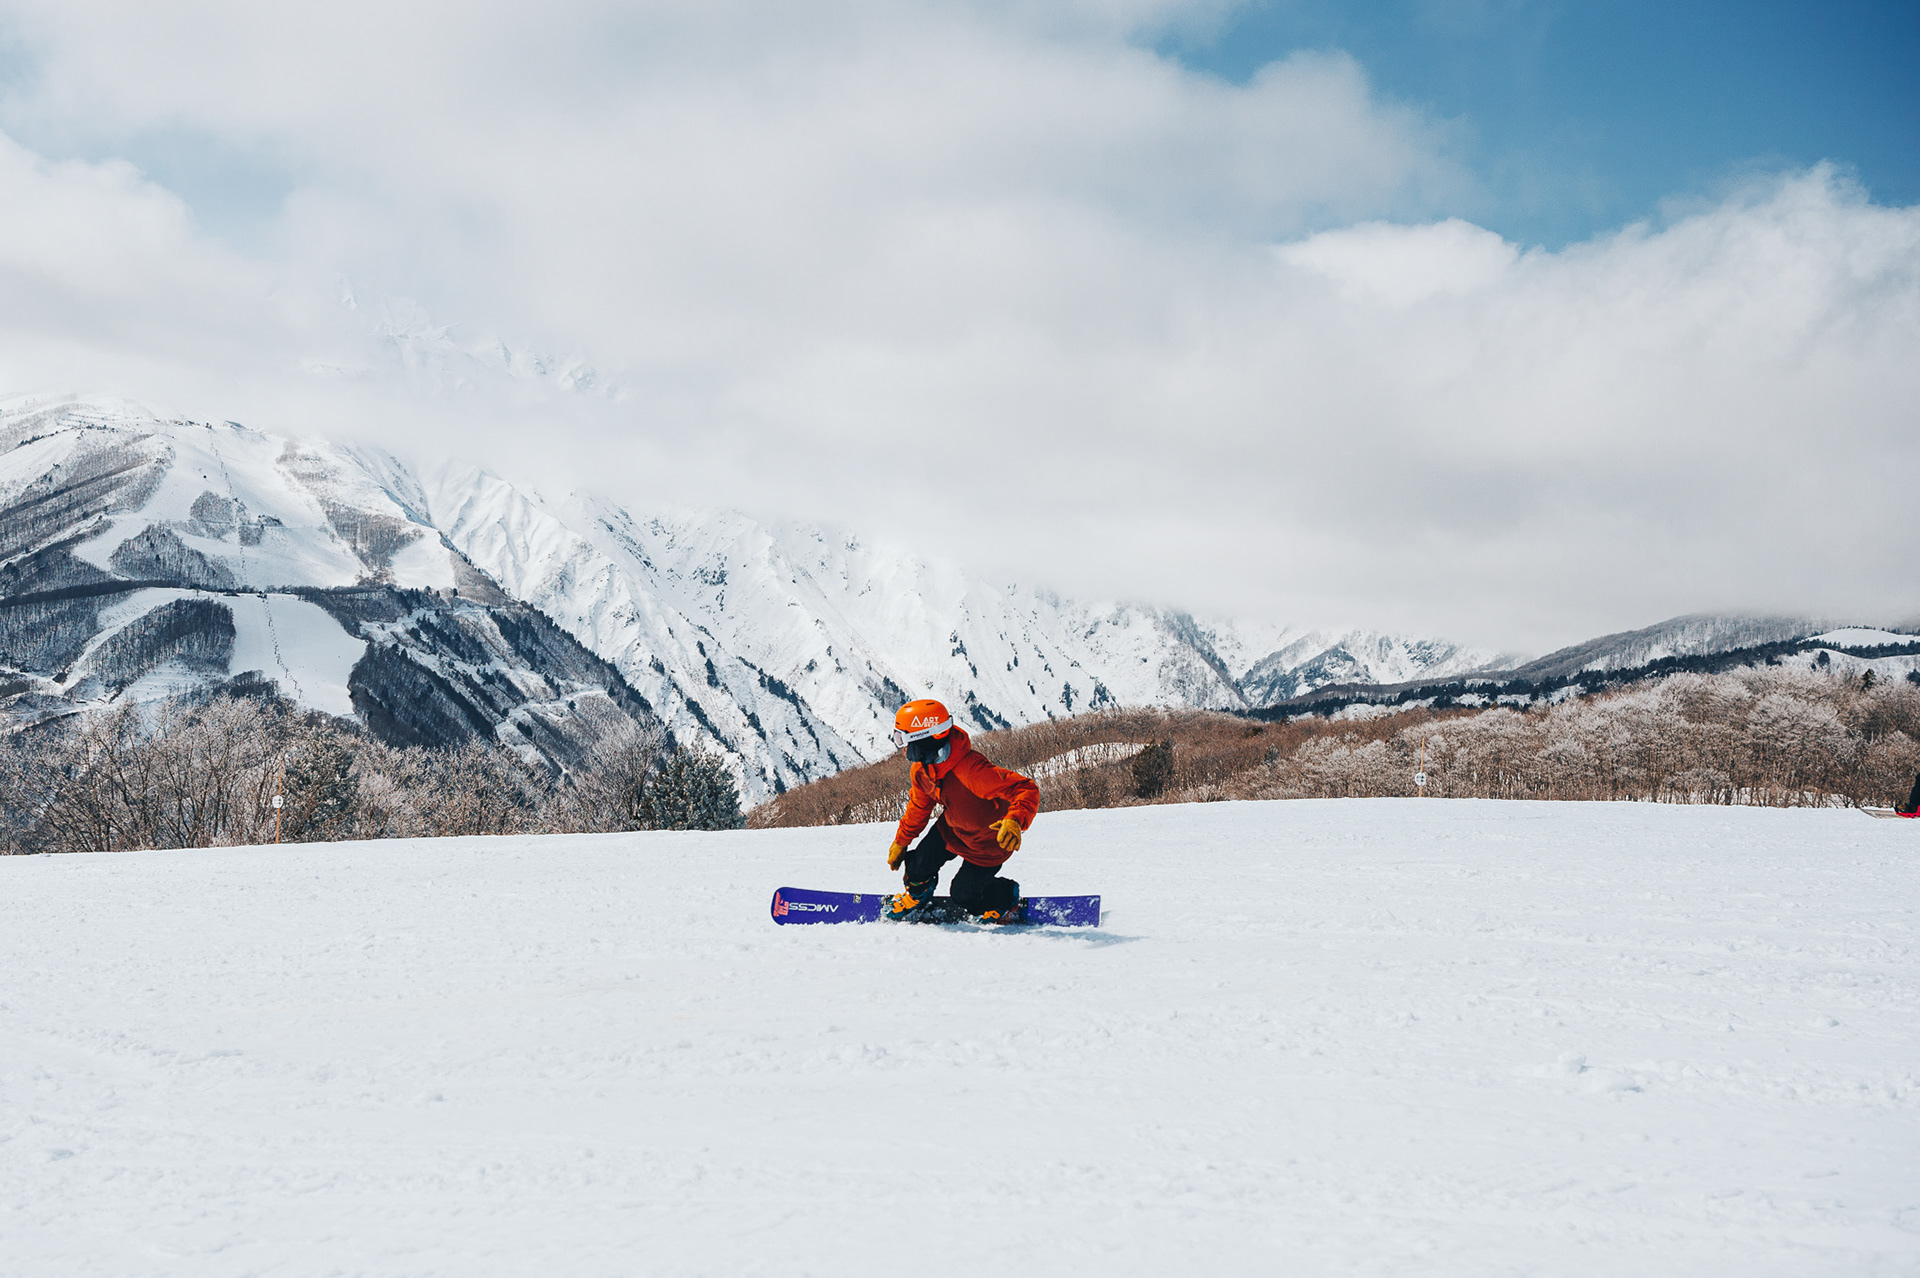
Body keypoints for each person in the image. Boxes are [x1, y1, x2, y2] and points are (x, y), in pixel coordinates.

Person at [886, 698, 1038, 921]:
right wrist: (901, 841)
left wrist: (1015, 819)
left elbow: (1024, 788)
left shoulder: (972, 772)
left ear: (926, 739)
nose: (903, 748)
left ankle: (1005, 896)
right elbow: (919, 806)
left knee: (964, 895)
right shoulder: (922, 771)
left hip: (987, 843)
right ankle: (918, 896)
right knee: (918, 866)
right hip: (952, 829)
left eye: (904, 739)